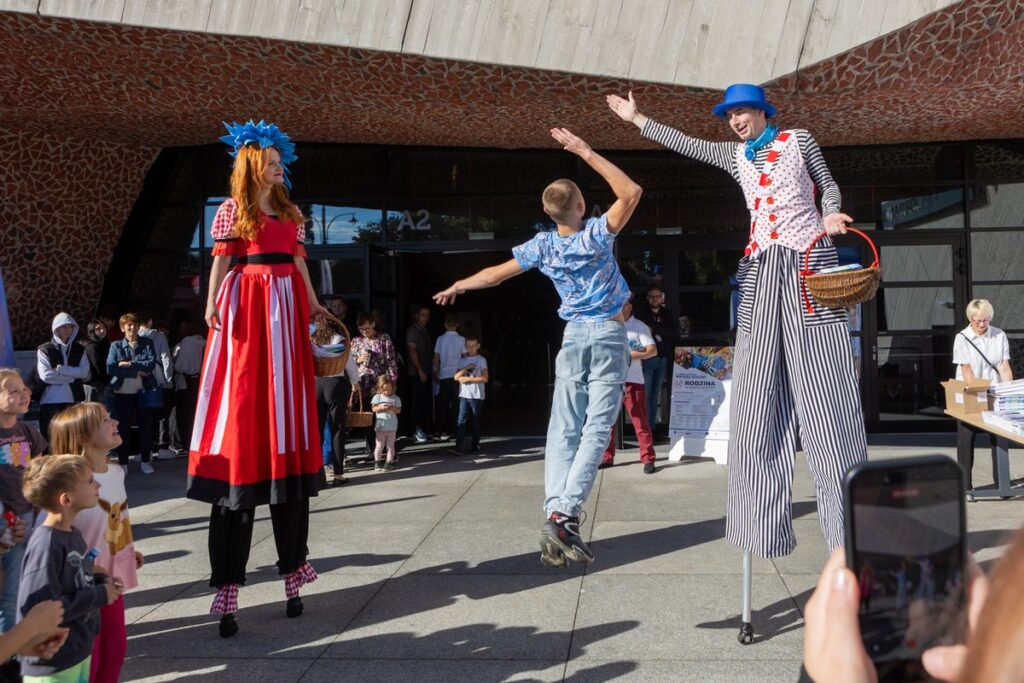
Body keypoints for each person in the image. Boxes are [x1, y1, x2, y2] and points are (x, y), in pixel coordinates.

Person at [609, 85, 867, 558]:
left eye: (743, 111)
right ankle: (762, 529)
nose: (735, 120)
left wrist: (831, 215)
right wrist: (638, 120)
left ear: (764, 111)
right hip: (760, 271)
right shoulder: (733, 155)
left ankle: (850, 542)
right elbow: (688, 144)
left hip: (809, 262)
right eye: (729, 115)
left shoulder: (798, 139)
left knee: (829, 401)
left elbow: (826, 183)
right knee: (755, 402)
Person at [434, 127, 642, 566]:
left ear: (549, 213)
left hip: (572, 338)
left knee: (562, 426)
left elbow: (495, 274)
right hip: (605, 333)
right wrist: (585, 149)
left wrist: (458, 285)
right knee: (596, 428)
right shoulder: (595, 235)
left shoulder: (543, 245)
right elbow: (631, 190)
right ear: (581, 206)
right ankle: (566, 514)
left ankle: (554, 508)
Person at [187, 120, 327, 638]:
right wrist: (209, 306)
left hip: (287, 306)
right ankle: (228, 586)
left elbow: (298, 262)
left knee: (286, 402)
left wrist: (312, 303)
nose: (277, 167)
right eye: (269, 161)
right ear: (251, 166)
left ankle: (292, 574)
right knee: (246, 390)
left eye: (278, 161)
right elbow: (221, 265)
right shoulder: (233, 212)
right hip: (249, 307)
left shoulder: (291, 213)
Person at [48, 403, 144, 683]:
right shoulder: (70, 484)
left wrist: (127, 549)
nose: (114, 422)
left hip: (111, 579)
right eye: (104, 420)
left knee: (115, 649)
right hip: (82, 585)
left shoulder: (116, 472)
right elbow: (55, 529)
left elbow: (117, 518)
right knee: (91, 656)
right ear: (82, 438)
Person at [17, 455, 122, 682]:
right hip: (54, 663)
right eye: (90, 481)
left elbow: (75, 580)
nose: (98, 485)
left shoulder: (71, 534)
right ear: (66, 499)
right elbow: (42, 610)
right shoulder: (47, 545)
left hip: (76, 651)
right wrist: (97, 595)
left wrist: (98, 578)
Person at [952, 298, 1013, 496]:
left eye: (986, 320)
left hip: (994, 391)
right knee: (966, 437)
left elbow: (1004, 366)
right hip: (970, 391)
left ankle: (1001, 485)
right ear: (970, 319)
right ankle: (965, 486)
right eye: (977, 320)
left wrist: (1008, 392)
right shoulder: (962, 338)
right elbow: (967, 371)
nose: (982, 324)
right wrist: (978, 394)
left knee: (999, 436)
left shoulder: (999, 335)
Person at [0, 369, 41, 637]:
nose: (22, 394)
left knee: (34, 584)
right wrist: (7, 523)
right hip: (8, 526)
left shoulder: (27, 430)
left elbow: (40, 471)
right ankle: (8, 659)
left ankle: (25, 641)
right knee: (10, 594)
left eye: (23, 389)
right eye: (12, 391)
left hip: (32, 518)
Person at [600, 296, 658, 473]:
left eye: (622, 305)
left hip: (633, 381)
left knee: (640, 422)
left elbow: (653, 351)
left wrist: (632, 355)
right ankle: (607, 458)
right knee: (607, 423)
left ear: (629, 306)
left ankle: (648, 459)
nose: (619, 308)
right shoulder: (608, 324)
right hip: (610, 381)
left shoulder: (639, 327)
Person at [106, 313, 158, 475]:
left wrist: (129, 364)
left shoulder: (147, 342)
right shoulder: (116, 346)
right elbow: (111, 368)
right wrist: (136, 372)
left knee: (146, 427)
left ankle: (145, 461)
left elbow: (150, 364)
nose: (132, 328)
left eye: (134, 324)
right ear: (122, 328)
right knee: (123, 428)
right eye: (128, 325)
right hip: (123, 392)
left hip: (144, 392)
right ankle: (123, 462)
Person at [312, 320, 359, 487]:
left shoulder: (313, 340)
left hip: (316, 384)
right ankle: (338, 474)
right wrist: (355, 381)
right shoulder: (340, 339)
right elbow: (349, 362)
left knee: (316, 429)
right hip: (336, 384)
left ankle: (316, 475)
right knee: (337, 429)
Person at [350, 313, 399, 456]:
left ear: (373, 324)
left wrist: (392, 382)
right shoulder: (356, 341)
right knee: (368, 416)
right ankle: (372, 449)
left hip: (381, 383)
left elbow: (391, 361)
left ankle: (387, 449)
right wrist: (358, 359)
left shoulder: (384, 339)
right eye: (361, 329)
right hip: (364, 382)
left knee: (383, 415)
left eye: (366, 328)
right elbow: (350, 363)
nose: (364, 332)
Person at [36, 313, 90, 439]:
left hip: (73, 399)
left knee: (71, 437)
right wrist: (72, 376)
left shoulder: (79, 349)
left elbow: (84, 372)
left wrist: (64, 370)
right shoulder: (45, 349)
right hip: (50, 400)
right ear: (56, 329)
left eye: (70, 327)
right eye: (63, 327)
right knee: (50, 436)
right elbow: (46, 376)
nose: (67, 330)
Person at [633, 287, 680, 430]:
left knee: (655, 395)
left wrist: (656, 329)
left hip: (662, 359)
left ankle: (651, 427)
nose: (655, 299)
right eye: (652, 296)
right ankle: (644, 428)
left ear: (662, 298)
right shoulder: (641, 313)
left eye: (657, 296)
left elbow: (673, 333)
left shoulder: (666, 314)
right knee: (645, 394)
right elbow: (641, 332)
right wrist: (658, 329)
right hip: (646, 359)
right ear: (648, 298)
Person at [139, 311, 175, 460]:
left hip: (140, 379)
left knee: (144, 414)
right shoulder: (159, 336)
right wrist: (168, 379)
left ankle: (146, 449)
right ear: (150, 321)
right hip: (158, 378)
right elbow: (166, 357)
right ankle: (162, 447)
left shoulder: (133, 336)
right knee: (161, 414)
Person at [449, 336, 488, 456]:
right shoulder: (462, 361)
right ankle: (459, 444)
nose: (471, 349)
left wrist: (467, 379)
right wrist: (466, 368)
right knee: (461, 419)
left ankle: (475, 444)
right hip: (464, 395)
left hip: (476, 395)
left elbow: (485, 378)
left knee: (475, 421)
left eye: (473, 346)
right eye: (468, 346)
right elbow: (456, 377)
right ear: (465, 347)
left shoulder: (481, 360)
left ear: (478, 346)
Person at [171, 320, 205, 457]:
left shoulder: (183, 345)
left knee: (184, 414)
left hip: (185, 382)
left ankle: (185, 443)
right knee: (197, 412)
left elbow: (179, 366)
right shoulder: (204, 343)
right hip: (199, 380)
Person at [434, 313, 466, 439]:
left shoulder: (440, 339)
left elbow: (435, 358)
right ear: (457, 324)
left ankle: (438, 431)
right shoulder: (462, 339)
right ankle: (455, 430)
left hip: (444, 375)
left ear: (445, 325)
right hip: (457, 375)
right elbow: (465, 357)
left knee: (443, 404)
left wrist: (438, 371)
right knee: (456, 404)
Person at [405, 305, 433, 443]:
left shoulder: (424, 330)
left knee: (425, 401)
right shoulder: (413, 331)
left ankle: (424, 429)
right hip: (417, 373)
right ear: (416, 315)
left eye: (427, 315)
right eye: (423, 314)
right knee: (419, 402)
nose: (426, 318)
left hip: (426, 371)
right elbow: (412, 351)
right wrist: (420, 370)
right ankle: (417, 429)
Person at [370, 376, 401, 472]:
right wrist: (380, 407)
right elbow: (373, 409)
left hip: (392, 427)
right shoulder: (377, 397)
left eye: (389, 389)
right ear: (380, 389)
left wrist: (392, 408)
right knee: (379, 445)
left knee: (390, 446)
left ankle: (389, 462)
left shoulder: (396, 398)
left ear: (393, 388)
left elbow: (398, 410)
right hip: (380, 427)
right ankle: (377, 462)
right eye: (384, 390)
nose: (387, 392)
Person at [80, 319, 111, 407]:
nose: (102, 330)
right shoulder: (92, 346)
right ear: (91, 331)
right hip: (93, 385)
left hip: (98, 384)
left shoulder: (103, 344)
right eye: (98, 329)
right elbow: (98, 367)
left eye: (104, 328)